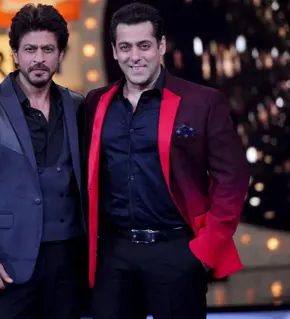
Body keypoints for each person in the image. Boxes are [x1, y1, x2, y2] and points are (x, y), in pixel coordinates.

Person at [83, 3, 250, 319]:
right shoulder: (96, 102)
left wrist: (203, 252)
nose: (135, 56)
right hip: (114, 254)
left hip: (176, 249)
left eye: (144, 46)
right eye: (126, 47)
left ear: (160, 45)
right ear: (114, 52)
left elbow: (233, 180)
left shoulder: (202, 102)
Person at [0, 4, 86, 319]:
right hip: (8, 263)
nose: (39, 58)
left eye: (48, 49)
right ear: (15, 54)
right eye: (30, 49)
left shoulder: (78, 105)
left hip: (70, 261)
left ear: (60, 55)